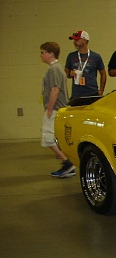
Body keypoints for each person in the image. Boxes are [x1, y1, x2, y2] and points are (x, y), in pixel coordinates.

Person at [40, 42, 74, 178]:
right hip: (57, 109)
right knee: (54, 137)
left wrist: (49, 108)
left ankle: (67, 162)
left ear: (51, 53)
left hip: (55, 109)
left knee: (47, 137)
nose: (41, 55)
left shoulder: (54, 69)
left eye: (43, 52)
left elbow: (55, 89)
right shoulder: (56, 68)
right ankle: (68, 164)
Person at [64, 30, 107, 99]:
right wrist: (70, 74)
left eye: (77, 40)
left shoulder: (95, 57)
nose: (75, 42)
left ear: (84, 40)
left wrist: (101, 90)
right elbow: (66, 72)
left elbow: (103, 73)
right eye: (74, 40)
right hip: (76, 94)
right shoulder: (71, 56)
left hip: (92, 93)